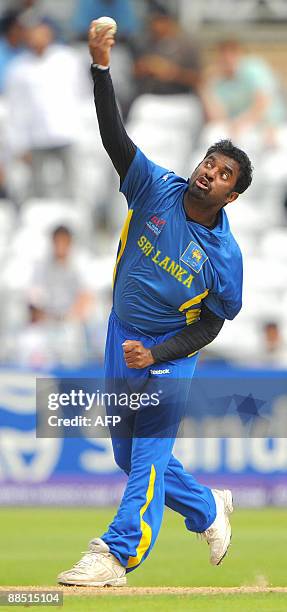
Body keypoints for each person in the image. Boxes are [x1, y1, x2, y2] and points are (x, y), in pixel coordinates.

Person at [58, 22, 253, 587]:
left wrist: (161, 352)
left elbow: (214, 322)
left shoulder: (224, 257)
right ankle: (207, 508)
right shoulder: (155, 188)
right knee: (127, 455)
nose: (208, 173)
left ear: (231, 195)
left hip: (169, 352)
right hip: (122, 333)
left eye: (222, 174)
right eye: (208, 163)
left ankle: (116, 556)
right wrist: (100, 67)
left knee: (145, 452)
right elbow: (113, 137)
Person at [4, 18, 83, 198]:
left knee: (72, 185)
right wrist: (18, 142)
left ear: (50, 34)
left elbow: (81, 93)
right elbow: (16, 108)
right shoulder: (18, 68)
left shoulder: (68, 59)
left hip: (66, 132)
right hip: (36, 137)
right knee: (37, 188)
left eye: (41, 34)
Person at [200, 38, 286, 154]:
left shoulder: (253, 68)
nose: (228, 58)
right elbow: (217, 117)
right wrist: (205, 87)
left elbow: (262, 103)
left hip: (269, 125)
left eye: (232, 53)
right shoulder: (219, 81)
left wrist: (240, 124)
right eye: (223, 54)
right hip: (240, 130)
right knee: (213, 134)